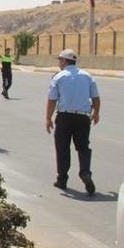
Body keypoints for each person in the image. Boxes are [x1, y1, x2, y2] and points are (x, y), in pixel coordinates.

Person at [45, 49, 101, 195]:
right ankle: (85, 172)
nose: (59, 63)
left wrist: (48, 118)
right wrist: (96, 113)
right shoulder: (87, 76)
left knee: (62, 148)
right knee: (83, 147)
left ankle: (62, 179)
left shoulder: (59, 77)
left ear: (64, 61)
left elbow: (52, 100)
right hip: (83, 117)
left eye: (60, 60)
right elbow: (95, 98)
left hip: (64, 117)